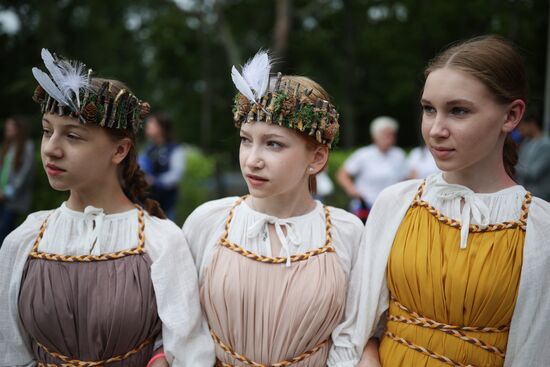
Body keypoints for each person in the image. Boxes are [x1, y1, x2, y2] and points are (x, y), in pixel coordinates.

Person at [331, 35, 550, 366]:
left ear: (511, 115)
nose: (435, 129)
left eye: (458, 111)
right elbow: (359, 324)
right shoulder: (397, 202)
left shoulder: (541, 230)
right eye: (428, 109)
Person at [0, 49, 212, 366]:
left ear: (120, 150)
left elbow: (188, 353)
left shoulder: (161, 241)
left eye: (72, 135)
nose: (51, 149)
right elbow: (10, 350)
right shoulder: (24, 241)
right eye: (47, 130)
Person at [177, 51, 366, 366]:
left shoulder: (347, 234)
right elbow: (182, 328)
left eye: (273, 143)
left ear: (317, 159)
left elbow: (356, 335)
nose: (252, 159)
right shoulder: (209, 222)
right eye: (246, 140)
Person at [337, 116, 406, 222]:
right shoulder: (363, 154)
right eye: (386, 135)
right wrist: (353, 191)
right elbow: (342, 174)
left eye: (392, 134)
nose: (390, 138)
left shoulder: (399, 154)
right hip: (366, 207)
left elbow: (404, 178)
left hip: (392, 207)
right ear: (375, 136)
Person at [139, 112, 186, 219]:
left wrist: (155, 181)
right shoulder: (149, 149)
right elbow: (141, 166)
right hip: (148, 202)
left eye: (151, 124)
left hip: (166, 204)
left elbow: (176, 175)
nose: (147, 127)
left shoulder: (175, 149)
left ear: (161, 128)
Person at [0, 116, 35, 245]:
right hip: (1, 195)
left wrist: (7, 193)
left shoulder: (27, 147)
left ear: (18, 129)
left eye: (10, 127)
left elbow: (24, 174)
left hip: (13, 199)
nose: (7, 129)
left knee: (5, 231)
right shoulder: (7, 146)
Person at [516, 108, 550, 201]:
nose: (520, 130)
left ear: (531, 124)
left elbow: (534, 173)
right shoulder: (527, 142)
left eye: (521, 126)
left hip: (540, 197)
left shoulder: (545, 144)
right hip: (525, 195)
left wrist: (513, 166)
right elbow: (520, 162)